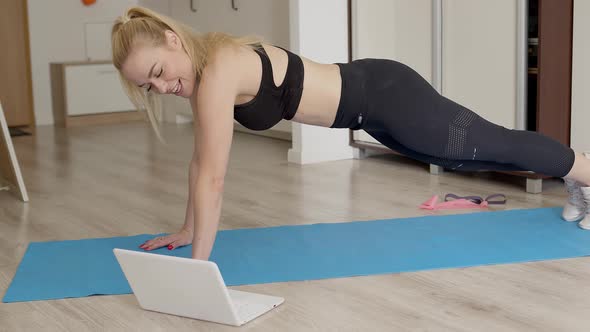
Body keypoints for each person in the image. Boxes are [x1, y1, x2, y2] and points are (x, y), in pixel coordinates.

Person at [111, 7, 590, 260]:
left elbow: (213, 178)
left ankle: (585, 171)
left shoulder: (217, 69)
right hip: (371, 110)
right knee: (470, 160)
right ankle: (575, 173)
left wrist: (199, 266)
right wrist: (189, 230)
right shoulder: (202, 78)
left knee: (493, 144)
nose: (159, 86)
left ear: (174, 40)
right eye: (147, 86)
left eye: (157, 71)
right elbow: (200, 163)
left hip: (385, 95)